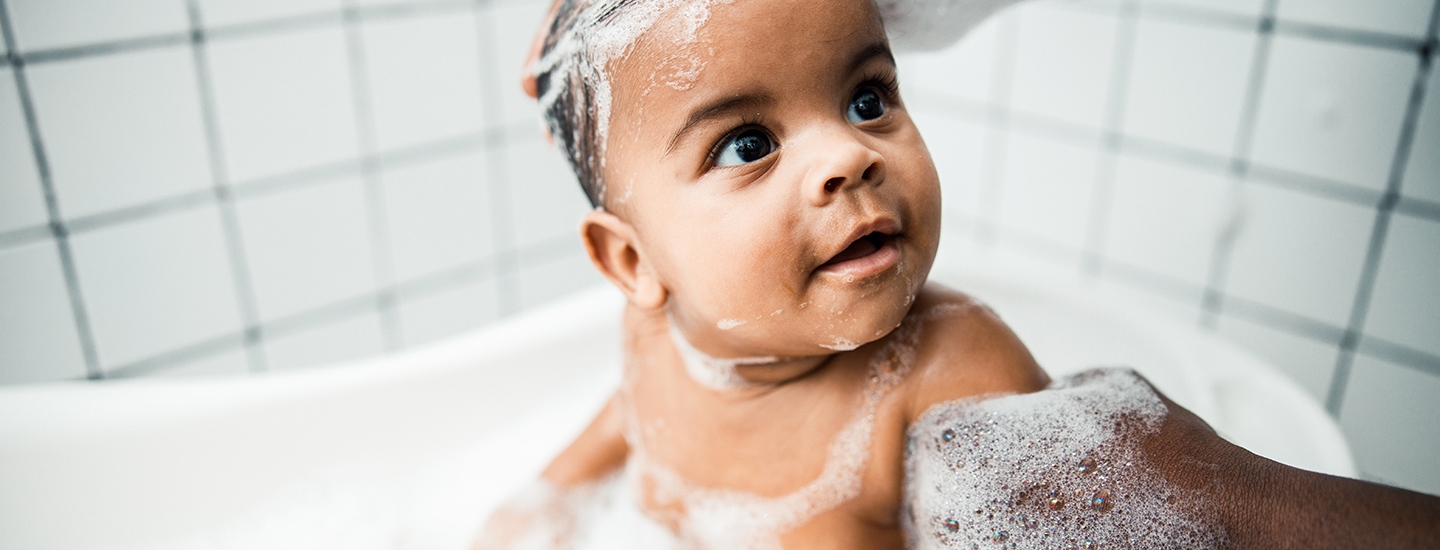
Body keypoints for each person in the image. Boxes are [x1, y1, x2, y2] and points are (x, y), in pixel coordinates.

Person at [476, 0, 1440, 548]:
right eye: (747, 144)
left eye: (866, 96)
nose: (846, 157)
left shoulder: (951, 371)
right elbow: (625, 421)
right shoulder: (659, 336)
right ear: (634, 264)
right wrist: (534, 508)